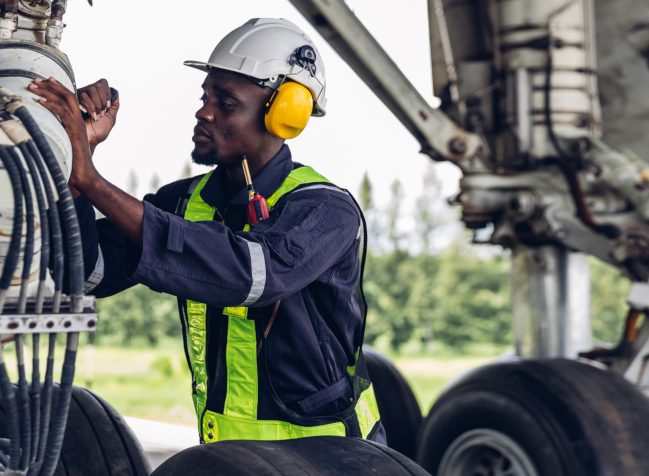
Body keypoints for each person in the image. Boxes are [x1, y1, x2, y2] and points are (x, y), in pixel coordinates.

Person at [29, 18, 383, 445]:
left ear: (284, 113)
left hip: (334, 459)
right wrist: (76, 174)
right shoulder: (183, 203)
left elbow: (248, 275)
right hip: (227, 457)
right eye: (205, 96)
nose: (204, 111)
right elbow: (86, 274)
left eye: (226, 102)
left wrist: (93, 180)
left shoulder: (325, 209)